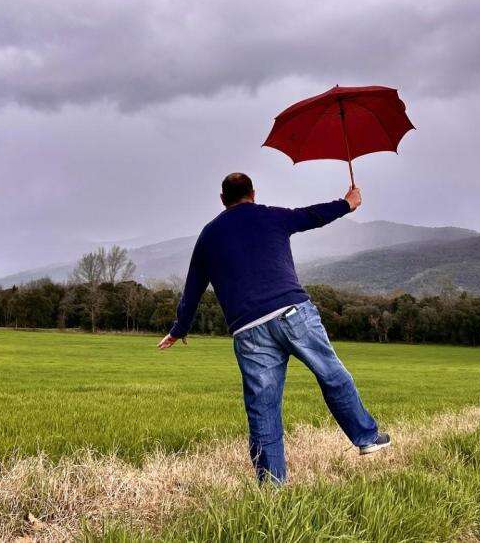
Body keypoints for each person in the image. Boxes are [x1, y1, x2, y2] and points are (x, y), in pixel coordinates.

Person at [157, 172, 389, 483]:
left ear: (222, 200)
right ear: (253, 194)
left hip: (248, 329)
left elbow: (194, 287)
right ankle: (366, 438)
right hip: (293, 313)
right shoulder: (270, 216)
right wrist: (347, 203)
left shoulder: (208, 236)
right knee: (333, 375)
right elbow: (312, 216)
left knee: (262, 409)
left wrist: (179, 329)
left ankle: (271, 485)